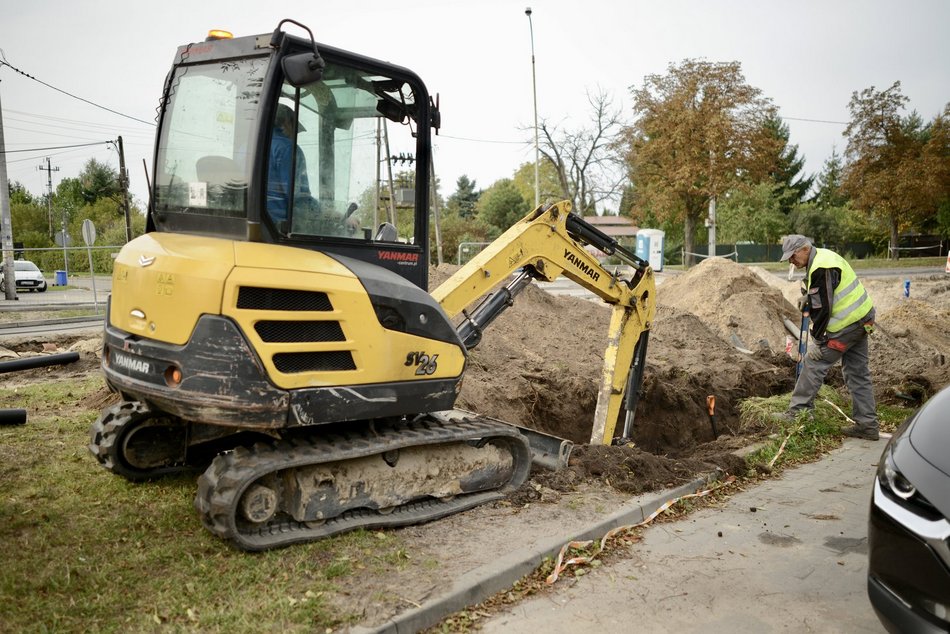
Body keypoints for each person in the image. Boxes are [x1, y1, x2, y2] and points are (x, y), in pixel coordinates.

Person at [775, 234, 879, 440]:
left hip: (847, 325)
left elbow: (825, 308)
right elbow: (828, 293)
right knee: (857, 373)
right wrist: (810, 297)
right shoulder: (823, 257)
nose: (791, 261)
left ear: (805, 249)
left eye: (793, 256)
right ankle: (867, 425)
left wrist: (818, 340)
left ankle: (797, 413)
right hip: (862, 320)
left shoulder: (821, 267)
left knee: (814, 361)